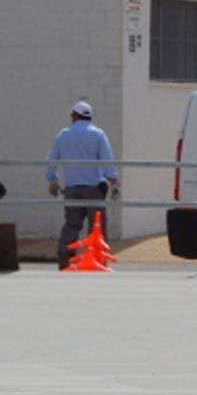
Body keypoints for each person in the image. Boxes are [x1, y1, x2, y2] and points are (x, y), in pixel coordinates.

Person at [45, 100, 118, 269]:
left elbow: (52, 160)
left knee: (72, 224)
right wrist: (113, 181)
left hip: (72, 189)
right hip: (94, 189)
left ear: (74, 116)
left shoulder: (63, 134)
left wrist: (52, 180)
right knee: (97, 228)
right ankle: (97, 261)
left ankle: (65, 259)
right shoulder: (98, 134)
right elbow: (107, 160)